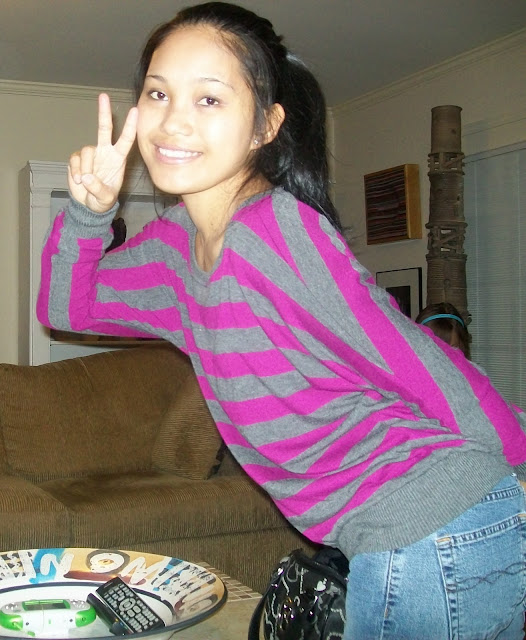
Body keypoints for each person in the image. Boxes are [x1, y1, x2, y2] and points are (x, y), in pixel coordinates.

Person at [37, 3, 526, 637]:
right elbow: (67, 308)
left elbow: (412, 357)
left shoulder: (274, 231)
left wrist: (519, 461)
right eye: (158, 93)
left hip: (437, 526)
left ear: (265, 126)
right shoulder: (172, 249)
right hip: (402, 538)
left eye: (209, 99)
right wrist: (88, 214)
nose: (173, 120)